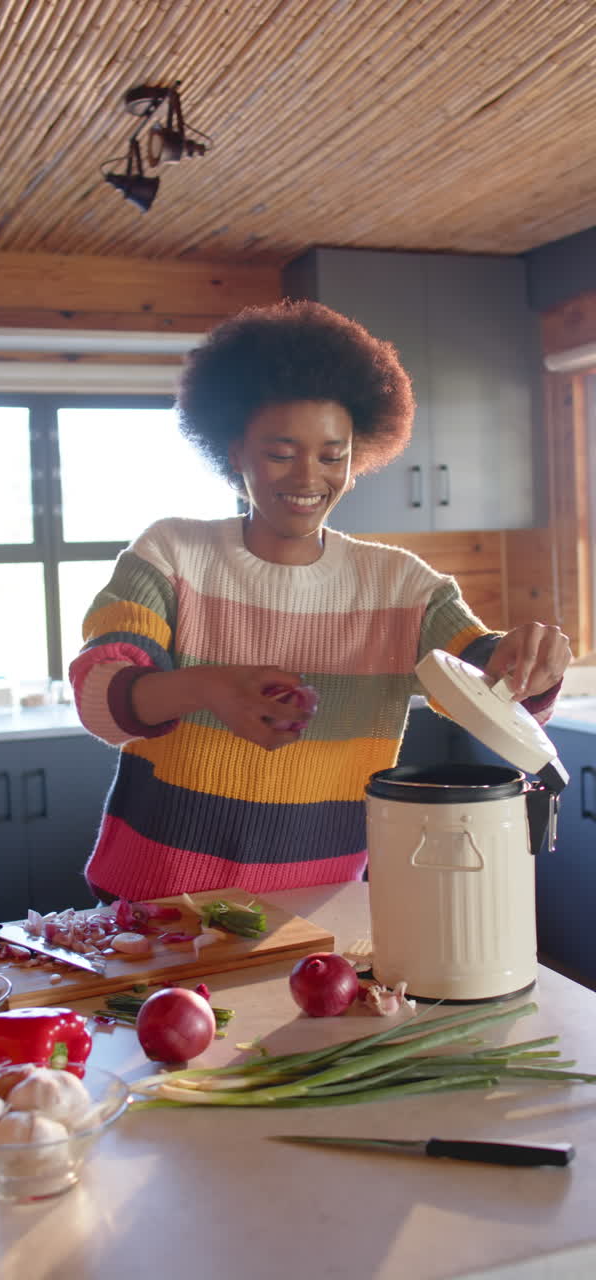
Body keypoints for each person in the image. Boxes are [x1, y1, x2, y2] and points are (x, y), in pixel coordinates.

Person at [69, 300, 571, 903]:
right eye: (281, 453)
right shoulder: (172, 553)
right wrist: (206, 687)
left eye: (333, 456)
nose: (309, 478)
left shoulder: (401, 586)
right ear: (234, 453)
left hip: (321, 907)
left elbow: (488, 682)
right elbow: (102, 692)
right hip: (157, 903)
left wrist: (531, 663)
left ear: (357, 461)